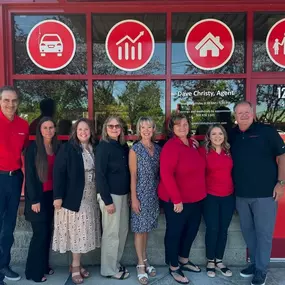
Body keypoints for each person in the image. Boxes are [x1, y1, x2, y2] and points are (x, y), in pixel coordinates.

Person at [229, 101, 285, 285]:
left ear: (252, 113)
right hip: (241, 194)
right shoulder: (232, 134)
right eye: (239, 112)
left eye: (246, 112)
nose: (243, 115)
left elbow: (282, 156)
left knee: (263, 233)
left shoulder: (266, 131)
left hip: (265, 194)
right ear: (235, 116)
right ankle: (255, 263)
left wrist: (281, 182)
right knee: (248, 231)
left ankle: (261, 269)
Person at [158, 113, 206, 285]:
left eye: (185, 124)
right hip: (176, 200)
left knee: (191, 230)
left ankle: (184, 259)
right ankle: (173, 265)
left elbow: (200, 163)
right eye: (178, 125)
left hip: (196, 198)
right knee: (175, 233)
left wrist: (199, 147)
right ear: (172, 128)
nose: (182, 127)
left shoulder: (192, 143)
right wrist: (176, 199)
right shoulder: (171, 146)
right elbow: (166, 174)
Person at [52, 118, 101, 284]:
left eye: (86, 129)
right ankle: (74, 267)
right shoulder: (68, 148)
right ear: (75, 131)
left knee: (82, 233)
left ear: (91, 131)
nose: (83, 132)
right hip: (74, 198)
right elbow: (58, 173)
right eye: (80, 129)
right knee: (76, 234)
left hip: (90, 197)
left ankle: (77, 264)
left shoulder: (94, 148)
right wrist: (57, 196)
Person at [0, 86, 29, 285]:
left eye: (14, 100)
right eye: (6, 100)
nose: (10, 104)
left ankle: (4, 265)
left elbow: (23, 153)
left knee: (8, 228)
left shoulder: (23, 125)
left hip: (14, 178)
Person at [95, 116, 130, 280]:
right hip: (111, 196)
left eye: (117, 126)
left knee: (122, 231)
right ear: (105, 128)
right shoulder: (103, 147)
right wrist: (107, 201)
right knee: (111, 233)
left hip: (123, 195)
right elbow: (100, 175)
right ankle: (108, 269)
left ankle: (115, 263)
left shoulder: (122, 147)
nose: (115, 128)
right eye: (111, 126)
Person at [24, 117, 58, 282]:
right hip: (37, 198)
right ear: (40, 130)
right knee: (39, 234)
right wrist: (34, 200)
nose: (49, 130)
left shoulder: (56, 147)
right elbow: (30, 177)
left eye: (51, 127)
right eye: (45, 128)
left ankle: (43, 266)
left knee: (47, 233)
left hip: (51, 197)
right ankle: (33, 272)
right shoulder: (33, 149)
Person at [199, 124, 235, 278]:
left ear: (224, 135)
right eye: (214, 134)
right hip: (210, 197)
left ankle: (219, 260)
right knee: (212, 229)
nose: (217, 136)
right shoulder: (203, 152)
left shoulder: (229, 151)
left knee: (223, 229)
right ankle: (210, 261)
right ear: (209, 136)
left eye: (220, 133)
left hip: (228, 196)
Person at [129, 117, 161, 285]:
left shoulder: (157, 149)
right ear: (139, 130)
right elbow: (133, 175)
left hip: (153, 194)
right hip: (140, 193)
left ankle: (146, 259)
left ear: (154, 129)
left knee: (146, 228)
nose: (146, 130)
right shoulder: (135, 149)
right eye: (143, 127)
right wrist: (134, 198)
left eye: (149, 127)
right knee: (139, 230)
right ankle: (140, 264)